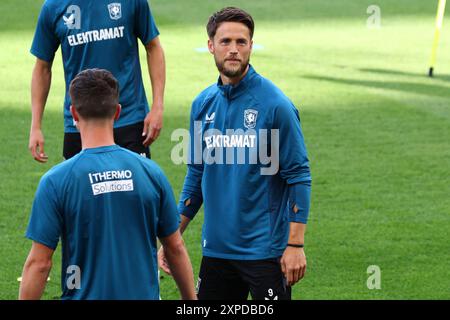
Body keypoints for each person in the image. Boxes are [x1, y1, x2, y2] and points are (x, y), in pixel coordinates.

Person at [159, 7, 312, 300]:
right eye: (226, 41)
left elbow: (299, 176)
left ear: (251, 47)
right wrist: (173, 237)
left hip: (265, 253)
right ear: (210, 46)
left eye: (241, 42)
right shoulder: (202, 105)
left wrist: (295, 245)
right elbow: (196, 174)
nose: (233, 50)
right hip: (216, 252)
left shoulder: (276, 105)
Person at [19, 69, 196, 300]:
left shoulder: (56, 181)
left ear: (73, 113)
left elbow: (40, 264)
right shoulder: (151, 172)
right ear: (117, 112)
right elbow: (175, 248)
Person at [29, 0, 165, 162]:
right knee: (81, 187)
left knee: (134, 186)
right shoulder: (54, 7)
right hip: (80, 123)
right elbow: (42, 68)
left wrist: (158, 106)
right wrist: (35, 126)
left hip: (128, 117)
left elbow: (153, 47)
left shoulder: (132, 2)